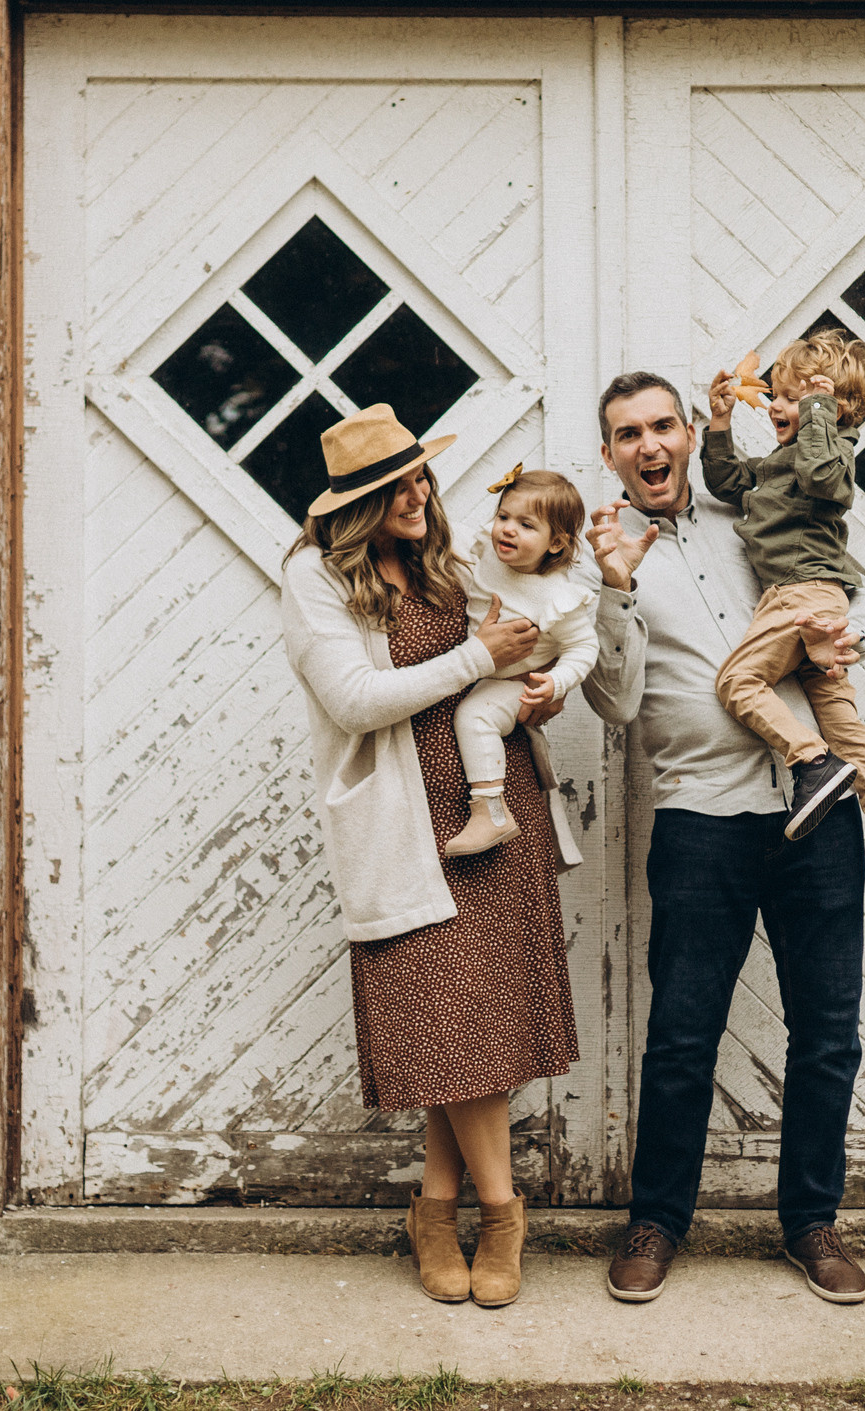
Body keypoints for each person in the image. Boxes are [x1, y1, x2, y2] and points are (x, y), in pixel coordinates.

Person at [581, 370, 865, 1308]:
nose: (652, 445)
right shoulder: (604, 566)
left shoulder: (750, 517)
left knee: (827, 1033)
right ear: (610, 455)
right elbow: (614, 704)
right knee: (681, 1034)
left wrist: (844, 628)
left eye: (662, 425)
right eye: (629, 434)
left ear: (684, 430)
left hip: (817, 803)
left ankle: (811, 1223)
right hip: (700, 819)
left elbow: (834, 587)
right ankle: (657, 1220)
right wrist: (617, 593)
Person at [278, 404, 579, 1311]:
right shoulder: (316, 578)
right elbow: (356, 698)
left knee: (477, 1031)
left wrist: (531, 692)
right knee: (454, 1025)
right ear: (354, 506)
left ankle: (435, 1209)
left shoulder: (443, 566)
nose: (416, 495)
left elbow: (498, 660)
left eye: (418, 478)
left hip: (492, 812)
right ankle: (503, 1211)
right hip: (409, 831)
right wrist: (475, 656)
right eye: (393, 487)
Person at [703, 330, 865, 900]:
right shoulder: (781, 463)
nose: (774, 407)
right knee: (839, 716)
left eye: (790, 398)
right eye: (774, 395)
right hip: (804, 599)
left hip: (802, 592)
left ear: (833, 406)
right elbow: (727, 481)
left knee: (738, 682)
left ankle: (812, 764)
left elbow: (825, 479)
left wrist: (821, 411)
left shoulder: (833, 453)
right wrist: (721, 423)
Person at [447, 466, 600, 858]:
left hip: (516, 684)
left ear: (556, 543)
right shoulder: (488, 552)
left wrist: (557, 683)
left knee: (474, 717)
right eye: (503, 517)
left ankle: (491, 812)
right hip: (480, 668)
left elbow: (584, 648)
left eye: (526, 525)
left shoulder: (555, 596)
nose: (507, 530)